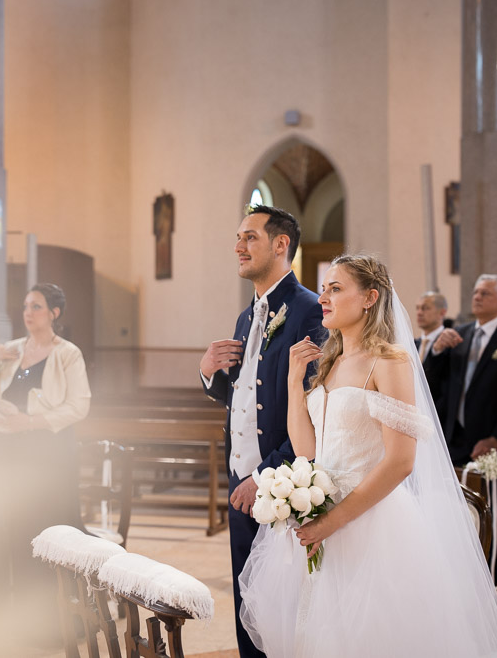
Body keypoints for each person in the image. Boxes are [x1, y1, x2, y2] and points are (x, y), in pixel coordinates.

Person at [239, 254, 497, 657]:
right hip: (321, 513)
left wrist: (331, 522)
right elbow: (308, 452)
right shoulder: (330, 361)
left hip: (371, 522)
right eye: (324, 288)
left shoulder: (389, 361)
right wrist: (295, 384)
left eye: (335, 289)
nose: (323, 298)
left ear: (369, 297)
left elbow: (402, 461)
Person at [199, 205, 325, 658]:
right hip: (241, 484)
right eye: (237, 237)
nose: (238, 246)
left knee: (284, 612)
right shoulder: (245, 316)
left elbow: (315, 412)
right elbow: (245, 396)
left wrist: (267, 475)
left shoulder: (310, 311)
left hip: (283, 486)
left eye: (249, 237)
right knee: (246, 605)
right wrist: (208, 373)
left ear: (280, 244)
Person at [0, 283, 91, 637]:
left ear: (55, 313)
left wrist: (31, 422)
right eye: (26, 305)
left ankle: (56, 624)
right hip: (11, 458)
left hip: (51, 460)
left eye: (37, 306)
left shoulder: (68, 353)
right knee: (15, 534)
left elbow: (79, 406)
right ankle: (17, 619)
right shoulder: (11, 350)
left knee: (50, 536)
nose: (28, 312)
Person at [423, 273, 497, 577]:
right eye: (475, 292)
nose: (477, 297)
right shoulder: (458, 334)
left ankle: (494, 576)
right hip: (455, 440)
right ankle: (458, 575)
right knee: (455, 513)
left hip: (493, 445)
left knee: (494, 516)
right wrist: (436, 351)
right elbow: (432, 384)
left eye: (485, 293)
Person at [414, 291, 447, 362]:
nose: (419, 313)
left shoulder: (448, 344)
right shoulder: (413, 344)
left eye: (425, 308)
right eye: (417, 308)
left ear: (442, 313)